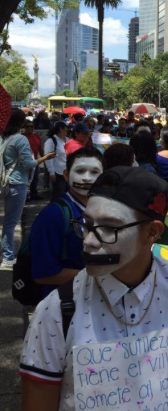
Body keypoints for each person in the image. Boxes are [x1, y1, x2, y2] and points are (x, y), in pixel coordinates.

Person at [20, 166, 168, 411]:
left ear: (152, 232)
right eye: (87, 224)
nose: (89, 241)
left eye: (109, 228)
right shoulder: (56, 312)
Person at [30, 148, 104, 300]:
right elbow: (43, 274)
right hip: (64, 303)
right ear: (66, 174)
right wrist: (99, 277)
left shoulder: (104, 211)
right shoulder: (52, 215)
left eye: (95, 172)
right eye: (80, 171)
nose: (87, 178)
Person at [1, 109, 56, 267]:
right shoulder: (20, 139)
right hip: (18, 183)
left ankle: (8, 254)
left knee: (9, 221)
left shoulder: (5, 138)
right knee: (11, 222)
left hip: (7, 182)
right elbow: (29, 164)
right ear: (21, 123)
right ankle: (8, 257)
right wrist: (45, 158)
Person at [45, 121, 70, 201]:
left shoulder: (68, 140)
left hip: (68, 173)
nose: (67, 129)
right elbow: (48, 158)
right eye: (66, 128)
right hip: (58, 174)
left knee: (68, 197)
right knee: (58, 197)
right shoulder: (51, 141)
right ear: (60, 129)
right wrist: (51, 173)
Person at [23, 120, 44, 201]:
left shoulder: (36, 136)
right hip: (25, 161)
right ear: (24, 128)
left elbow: (40, 148)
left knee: (35, 179)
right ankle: (25, 196)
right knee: (26, 179)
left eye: (31, 126)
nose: (29, 128)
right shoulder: (22, 137)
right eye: (27, 126)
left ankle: (34, 194)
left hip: (35, 161)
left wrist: (44, 157)